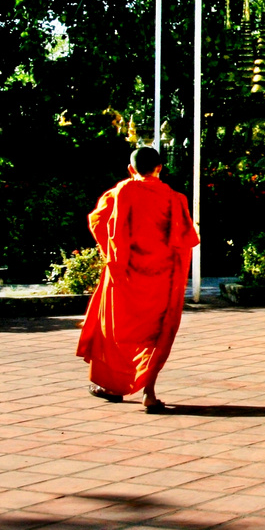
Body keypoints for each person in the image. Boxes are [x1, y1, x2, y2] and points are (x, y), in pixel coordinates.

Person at [77, 146, 200, 412]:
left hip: (126, 275)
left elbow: (99, 222)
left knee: (114, 329)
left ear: (131, 169)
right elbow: (187, 237)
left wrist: (114, 258)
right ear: (160, 168)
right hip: (162, 278)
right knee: (158, 333)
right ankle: (150, 392)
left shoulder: (122, 191)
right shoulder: (174, 198)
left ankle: (111, 385)